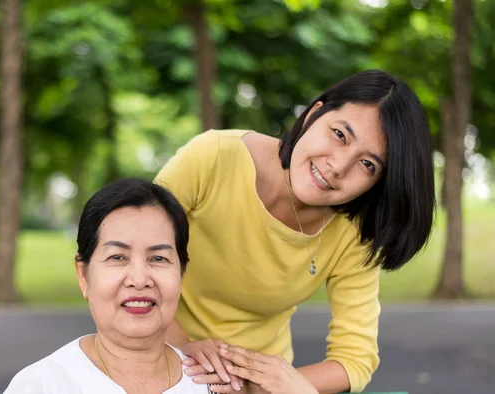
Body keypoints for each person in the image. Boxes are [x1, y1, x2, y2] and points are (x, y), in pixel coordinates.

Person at [154, 70, 436, 394]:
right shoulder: (212, 158)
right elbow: (133, 260)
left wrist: (268, 385)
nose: (338, 166)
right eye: (340, 135)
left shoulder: (353, 234)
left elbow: (355, 360)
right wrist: (182, 351)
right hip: (160, 356)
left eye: (368, 164)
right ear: (314, 114)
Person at [3, 178, 214, 393]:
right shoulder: (42, 386)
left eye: (158, 258)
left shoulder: (216, 384)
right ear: (84, 275)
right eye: (117, 257)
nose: (139, 280)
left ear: (181, 275)